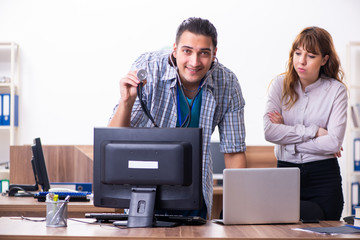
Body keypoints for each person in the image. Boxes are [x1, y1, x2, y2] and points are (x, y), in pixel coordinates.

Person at [108, 17, 247, 219]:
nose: (195, 62)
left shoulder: (227, 83)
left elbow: (234, 153)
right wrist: (126, 103)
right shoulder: (149, 68)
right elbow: (114, 141)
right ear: (175, 49)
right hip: (146, 194)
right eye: (187, 51)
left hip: (194, 197)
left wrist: (237, 211)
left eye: (204, 53)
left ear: (214, 54)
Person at [264, 26, 347, 221]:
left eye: (310, 56)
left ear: (324, 60)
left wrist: (286, 136)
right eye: (298, 53)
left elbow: (333, 143)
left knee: (325, 230)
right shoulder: (279, 85)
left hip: (323, 179)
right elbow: (269, 132)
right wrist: (315, 132)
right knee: (281, 229)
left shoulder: (336, 91)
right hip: (286, 174)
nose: (301, 61)